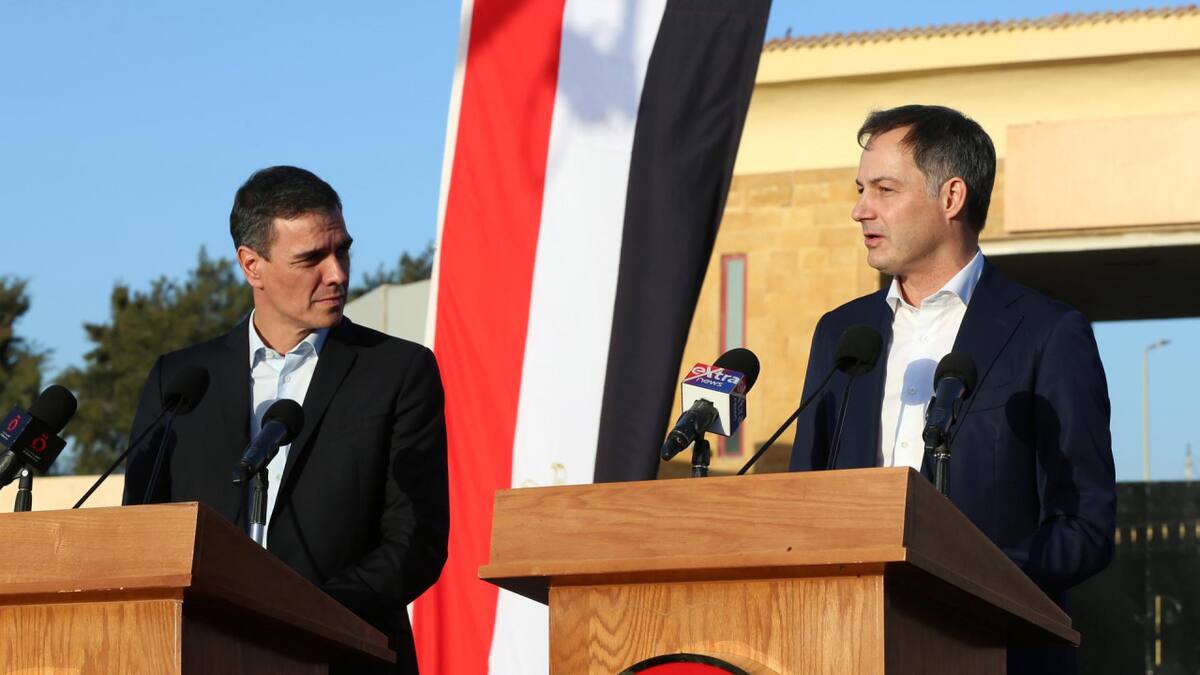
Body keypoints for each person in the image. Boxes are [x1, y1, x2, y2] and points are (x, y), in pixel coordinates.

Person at [788, 105, 1115, 674]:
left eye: (884, 189)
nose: (859, 209)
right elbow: (802, 506)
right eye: (861, 189)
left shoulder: (1047, 334)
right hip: (848, 647)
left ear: (951, 198)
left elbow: (1084, 526)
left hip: (997, 651)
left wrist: (962, 576)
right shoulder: (843, 335)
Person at [124, 166, 448, 675]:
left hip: (348, 655)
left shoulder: (399, 372)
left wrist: (303, 615)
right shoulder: (180, 382)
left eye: (342, 250)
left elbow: (416, 539)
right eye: (311, 259)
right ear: (252, 265)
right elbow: (143, 536)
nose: (338, 273)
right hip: (202, 655)